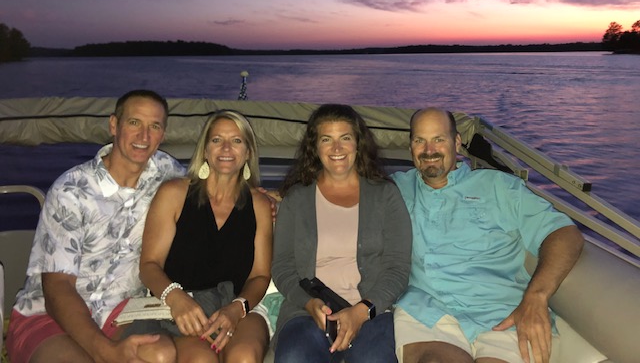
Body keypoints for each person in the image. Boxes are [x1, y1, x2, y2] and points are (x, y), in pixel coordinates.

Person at [5, 89, 186, 363]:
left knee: (160, 355)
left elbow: (217, 190)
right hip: (49, 312)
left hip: (121, 310)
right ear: (114, 125)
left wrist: (264, 198)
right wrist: (105, 351)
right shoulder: (72, 190)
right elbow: (58, 288)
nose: (144, 137)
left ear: (163, 133)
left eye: (154, 126)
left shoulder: (168, 174)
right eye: (134, 123)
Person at [392, 107, 585, 363]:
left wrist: (536, 296)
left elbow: (564, 234)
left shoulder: (500, 187)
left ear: (457, 142)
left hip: (502, 313)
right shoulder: (395, 189)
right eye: (420, 140)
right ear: (410, 147)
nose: (429, 151)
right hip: (427, 310)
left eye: (439, 139)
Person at [126, 110, 273, 362]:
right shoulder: (174, 193)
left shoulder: (259, 204)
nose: (226, 148)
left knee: (245, 357)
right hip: (179, 302)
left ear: (248, 152)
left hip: (238, 305)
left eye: (236, 141)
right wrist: (177, 299)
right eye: (217, 140)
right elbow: (149, 266)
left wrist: (236, 310)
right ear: (205, 150)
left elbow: (260, 275)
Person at [271, 104, 412, 363]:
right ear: (315, 147)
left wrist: (362, 311)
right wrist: (307, 303)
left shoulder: (385, 195)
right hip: (308, 314)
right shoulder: (296, 199)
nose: (337, 149)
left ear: (358, 144)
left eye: (345, 138)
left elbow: (398, 267)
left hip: (372, 312)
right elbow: (282, 266)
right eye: (327, 140)